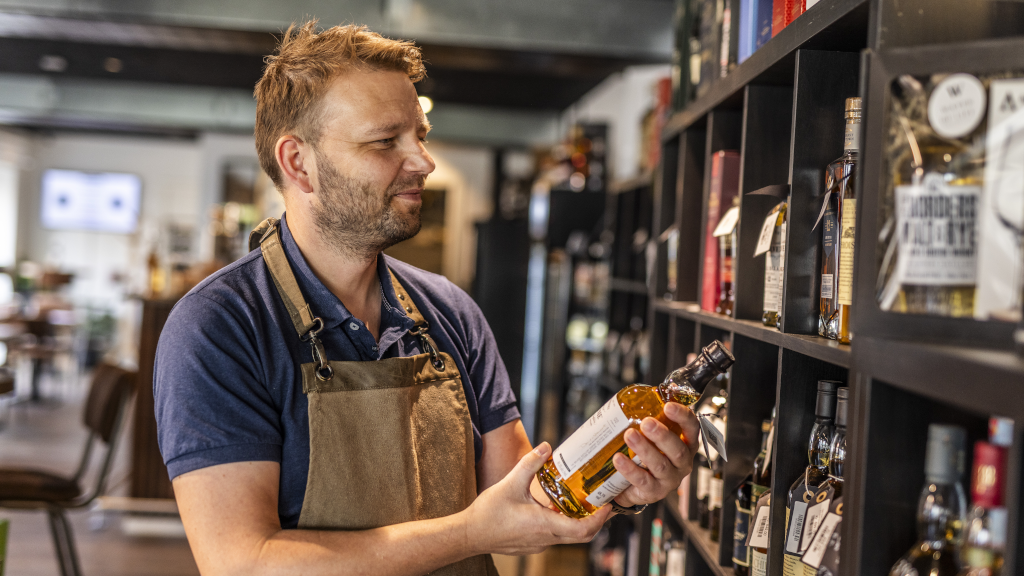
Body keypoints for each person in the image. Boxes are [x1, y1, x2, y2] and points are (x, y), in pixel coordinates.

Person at [154, 21, 701, 576]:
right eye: (386, 141)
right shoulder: (220, 326)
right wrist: (471, 531)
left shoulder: (450, 312)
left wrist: (624, 478)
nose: (423, 161)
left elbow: (527, 502)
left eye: (420, 135)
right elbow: (243, 563)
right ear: (299, 163)